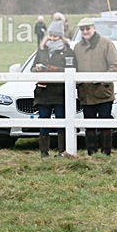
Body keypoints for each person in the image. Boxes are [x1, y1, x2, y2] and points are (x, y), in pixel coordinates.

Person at [73, 17, 117, 156]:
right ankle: (91, 153)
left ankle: (106, 152)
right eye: (82, 29)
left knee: (105, 121)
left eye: (88, 29)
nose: (85, 31)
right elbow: (74, 68)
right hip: (85, 92)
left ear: (94, 28)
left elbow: (115, 65)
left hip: (103, 91)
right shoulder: (77, 47)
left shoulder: (106, 44)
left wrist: (103, 81)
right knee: (89, 122)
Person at [32, 20, 76, 157]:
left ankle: (62, 151)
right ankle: (43, 152)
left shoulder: (68, 52)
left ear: (61, 37)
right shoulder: (41, 50)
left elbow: (73, 69)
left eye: (55, 36)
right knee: (43, 121)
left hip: (59, 93)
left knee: (61, 121)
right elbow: (32, 68)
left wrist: (56, 69)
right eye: (50, 35)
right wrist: (37, 68)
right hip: (43, 92)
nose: (51, 38)